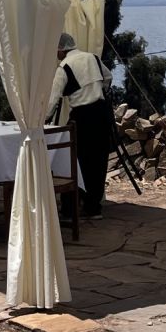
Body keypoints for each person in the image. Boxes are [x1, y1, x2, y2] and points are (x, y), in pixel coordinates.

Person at [47, 32, 115, 217]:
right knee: (98, 161)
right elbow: (108, 77)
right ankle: (93, 207)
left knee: (72, 161)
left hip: (82, 116)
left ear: (61, 50)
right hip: (101, 114)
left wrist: (44, 118)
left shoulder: (64, 67)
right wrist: (99, 90)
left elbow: (52, 100)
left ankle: (69, 208)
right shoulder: (92, 58)